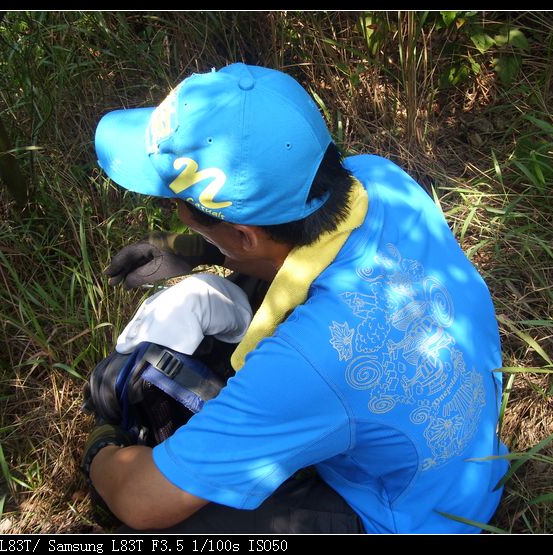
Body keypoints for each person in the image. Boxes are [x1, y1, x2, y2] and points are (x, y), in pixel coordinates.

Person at [83, 62, 509, 534]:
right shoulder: (378, 178)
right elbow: (288, 247)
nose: (175, 213)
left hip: (414, 518)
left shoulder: (305, 362)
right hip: (465, 462)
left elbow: (142, 502)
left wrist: (103, 445)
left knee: (183, 527)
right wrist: (191, 248)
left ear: (244, 236)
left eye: (176, 206)